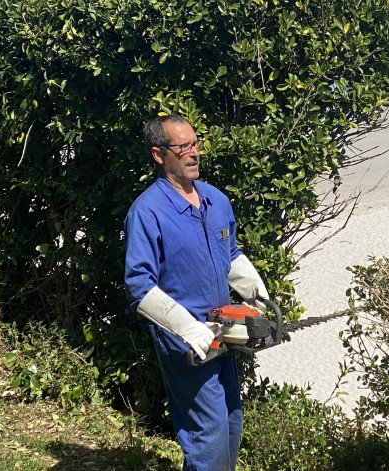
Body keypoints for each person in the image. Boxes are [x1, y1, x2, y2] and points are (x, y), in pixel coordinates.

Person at [124, 115, 271, 470]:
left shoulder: (215, 200)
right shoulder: (147, 211)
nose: (194, 153)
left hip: (224, 331)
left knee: (232, 422)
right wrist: (189, 329)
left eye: (195, 144)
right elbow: (139, 285)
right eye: (183, 147)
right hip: (185, 341)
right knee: (208, 433)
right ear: (159, 155)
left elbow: (230, 254)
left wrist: (258, 297)